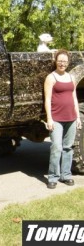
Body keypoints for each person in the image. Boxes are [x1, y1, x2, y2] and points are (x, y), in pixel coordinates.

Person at [44, 49, 82, 189]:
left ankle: (66, 175)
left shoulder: (71, 77)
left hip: (71, 117)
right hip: (56, 118)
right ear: (56, 61)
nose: (62, 63)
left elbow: (74, 98)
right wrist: (49, 118)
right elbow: (47, 100)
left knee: (68, 148)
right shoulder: (51, 77)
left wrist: (77, 117)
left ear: (68, 63)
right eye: (60, 61)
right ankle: (53, 177)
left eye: (64, 61)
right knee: (56, 147)